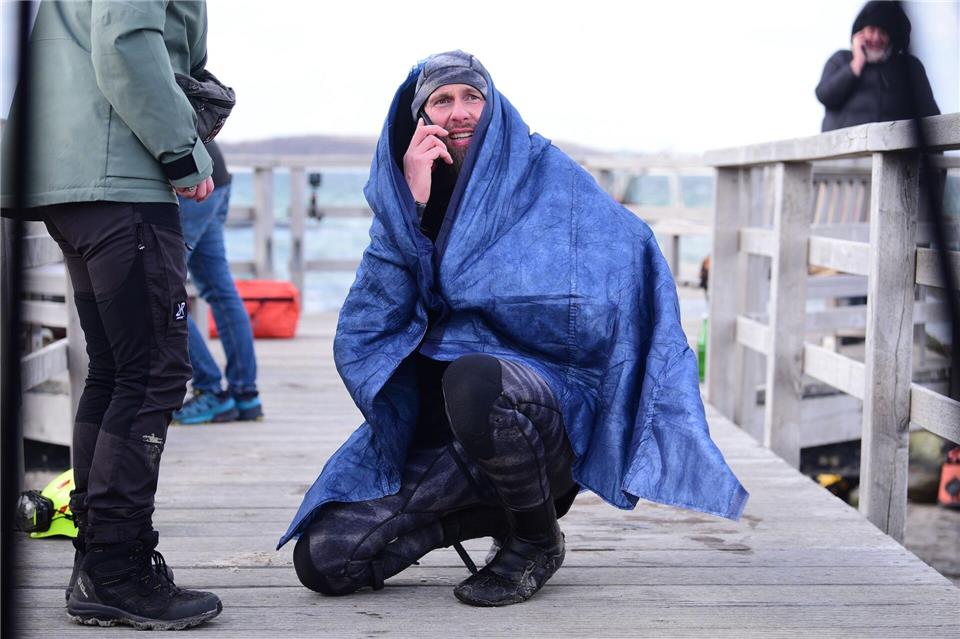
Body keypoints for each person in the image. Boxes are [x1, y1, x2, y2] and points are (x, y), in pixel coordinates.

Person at [283, 51, 748, 607]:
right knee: (324, 560)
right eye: (442, 100)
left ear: (493, 104)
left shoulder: (546, 174)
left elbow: (632, 256)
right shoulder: (407, 198)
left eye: (472, 97)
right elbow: (366, 330)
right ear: (420, 119)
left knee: (475, 378)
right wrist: (409, 208)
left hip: (536, 409)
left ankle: (535, 539)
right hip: (445, 431)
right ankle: (487, 513)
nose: (460, 113)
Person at [0, 1, 221, 629]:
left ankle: (98, 561)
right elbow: (125, 42)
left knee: (117, 372)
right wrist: (183, 152)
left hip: (75, 178)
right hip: (119, 177)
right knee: (151, 374)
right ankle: (119, 567)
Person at [173, 140, 263, 425]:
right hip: (215, 175)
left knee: (160, 288)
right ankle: (245, 393)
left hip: (191, 181)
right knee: (220, 290)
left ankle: (210, 388)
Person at [815, 1, 939, 132]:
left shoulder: (909, 67)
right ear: (860, 33)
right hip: (846, 149)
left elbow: (929, 111)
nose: (876, 37)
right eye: (871, 30)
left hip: (897, 149)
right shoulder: (840, 59)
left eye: (883, 33)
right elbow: (825, 95)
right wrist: (856, 64)